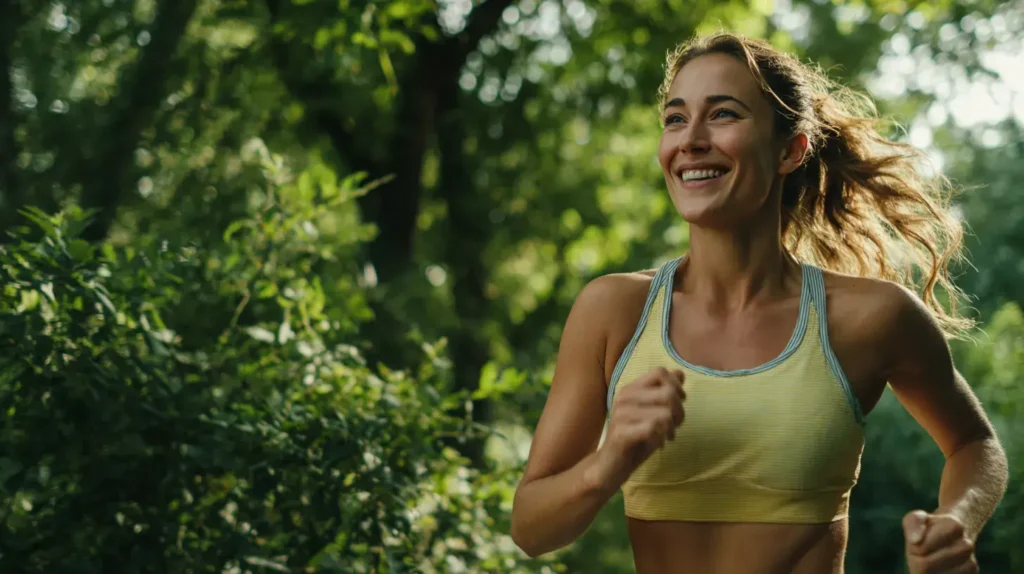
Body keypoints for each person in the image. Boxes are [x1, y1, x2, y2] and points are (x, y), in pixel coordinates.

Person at [510, 32, 1008, 574]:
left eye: (722, 114)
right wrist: (608, 463)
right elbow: (532, 530)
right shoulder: (614, 312)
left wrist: (956, 522)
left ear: (790, 150)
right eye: (676, 119)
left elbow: (975, 445)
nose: (691, 140)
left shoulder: (871, 317)